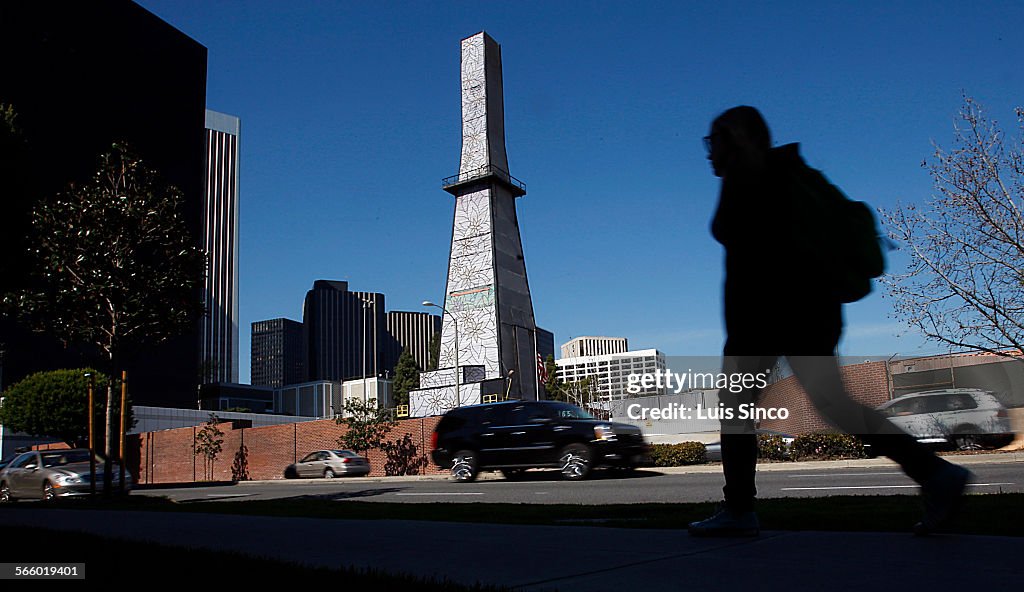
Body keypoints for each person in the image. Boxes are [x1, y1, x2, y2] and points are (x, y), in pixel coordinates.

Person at [689, 106, 971, 537]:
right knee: (833, 404)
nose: (710, 154)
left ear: (739, 139)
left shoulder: (751, 179)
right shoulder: (802, 178)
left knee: (735, 410)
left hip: (766, 316)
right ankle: (934, 473)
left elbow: (729, 231)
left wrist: (738, 164)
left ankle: (740, 511)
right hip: (814, 314)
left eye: (715, 142)